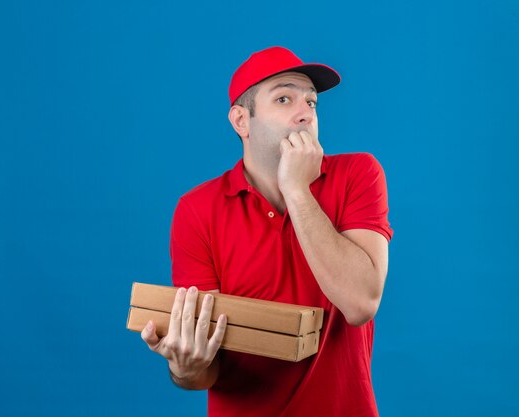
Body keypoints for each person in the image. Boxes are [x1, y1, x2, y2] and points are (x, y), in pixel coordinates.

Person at [141, 46, 393, 417]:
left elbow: (360, 304)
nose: (305, 112)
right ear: (242, 121)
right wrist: (185, 366)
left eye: (311, 102)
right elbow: (202, 373)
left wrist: (296, 191)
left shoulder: (359, 174)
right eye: (284, 98)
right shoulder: (197, 210)